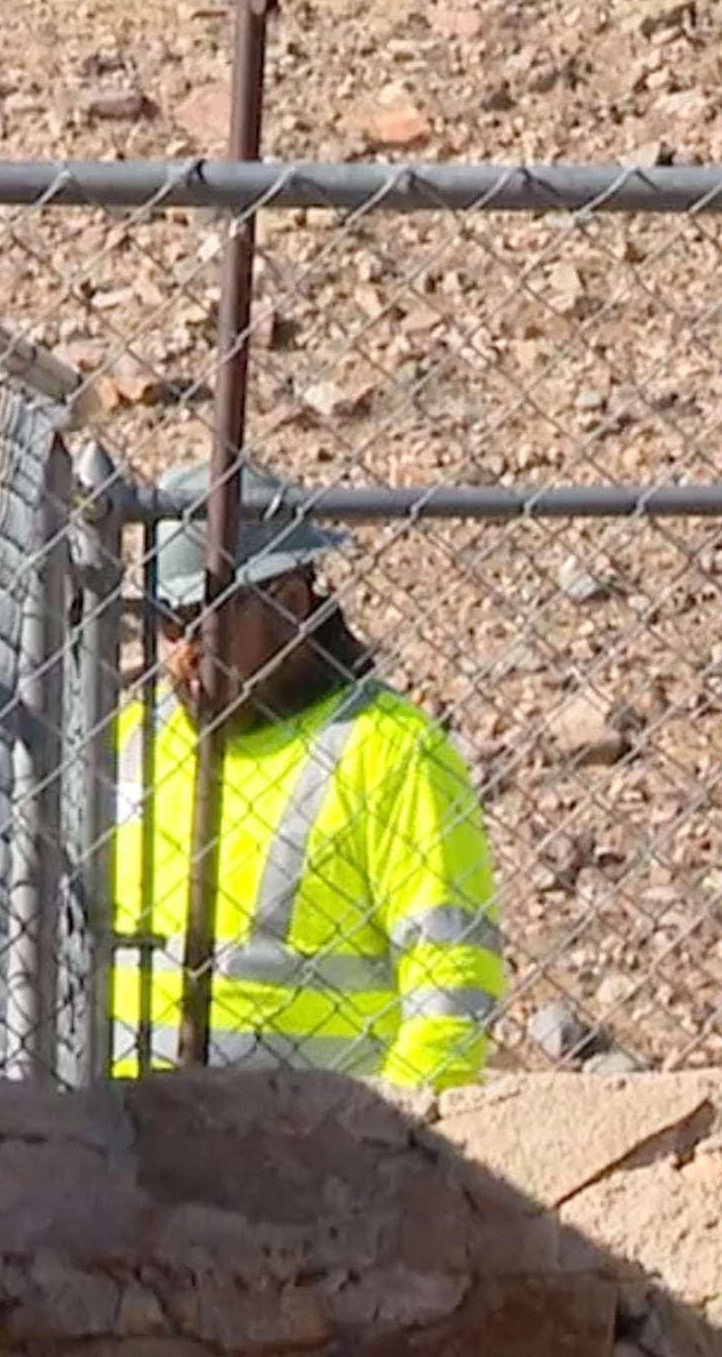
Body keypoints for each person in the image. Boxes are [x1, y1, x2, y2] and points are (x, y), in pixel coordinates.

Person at [100, 459, 509, 1089]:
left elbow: (450, 987)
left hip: (308, 1158)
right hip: (114, 1143)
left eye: (200, 624)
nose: (178, 654)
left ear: (289, 606)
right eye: (165, 623)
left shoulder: (389, 752)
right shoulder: (132, 742)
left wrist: (390, 1147)